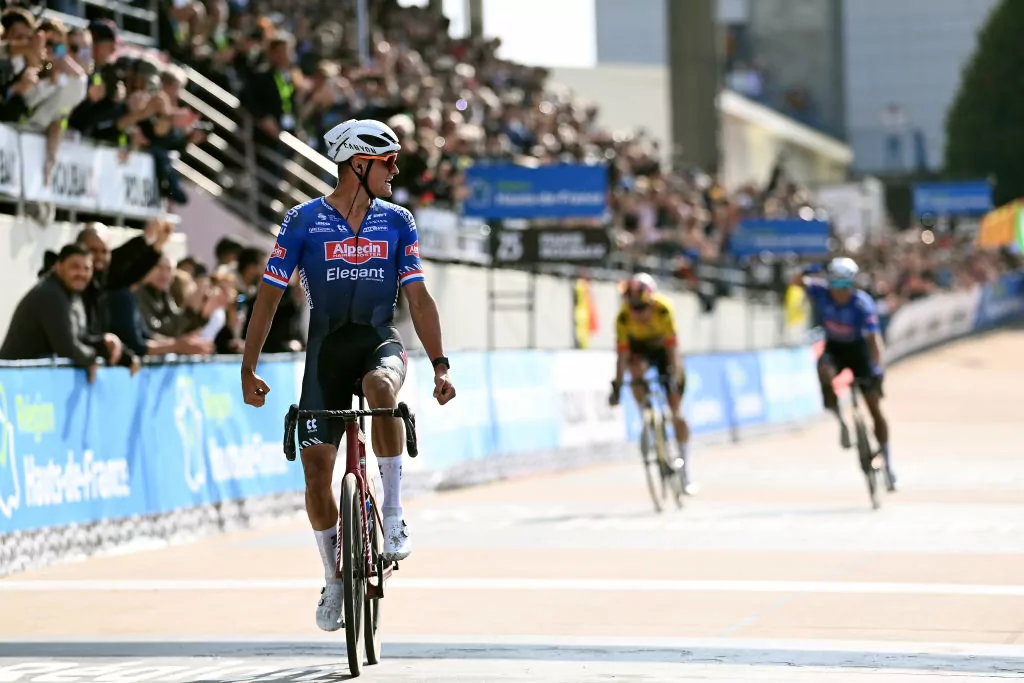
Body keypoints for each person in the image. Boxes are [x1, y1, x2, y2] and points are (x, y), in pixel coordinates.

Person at [240, 118, 456, 633]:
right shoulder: (303, 221)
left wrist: (440, 363)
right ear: (358, 163)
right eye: (388, 161)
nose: (396, 169)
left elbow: (418, 298)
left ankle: (395, 512)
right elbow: (268, 297)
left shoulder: (398, 220)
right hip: (326, 353)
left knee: (381, 388)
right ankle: (333, 578)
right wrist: (247, 367)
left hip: (378, 342)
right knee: (316, 473)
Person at [794, 257, 895, 491]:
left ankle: (888, 463)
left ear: (852, 285)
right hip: (835, 350)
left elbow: (874, 341)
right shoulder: (821, 292)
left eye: (844, 287)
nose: (839, 293)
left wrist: (877, 369)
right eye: (835, 286)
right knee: (824, 369)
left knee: (874, 408)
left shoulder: (862, 304)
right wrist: (811, 268)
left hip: (859, 351)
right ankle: (839, 417)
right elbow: (795, 281)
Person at [608, 273, 695, 495]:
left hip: (663, 352)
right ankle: (646, 417)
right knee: (635, 371)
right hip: (641, 352)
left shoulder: (663, 310)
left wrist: (674, 378)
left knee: (677, 412)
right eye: (633, 308)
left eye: (641, 309)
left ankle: (685, 470)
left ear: (651, 302)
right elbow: (622, 357)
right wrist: (617, 385)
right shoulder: (623, 318)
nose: (638, 314)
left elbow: (673, 349)